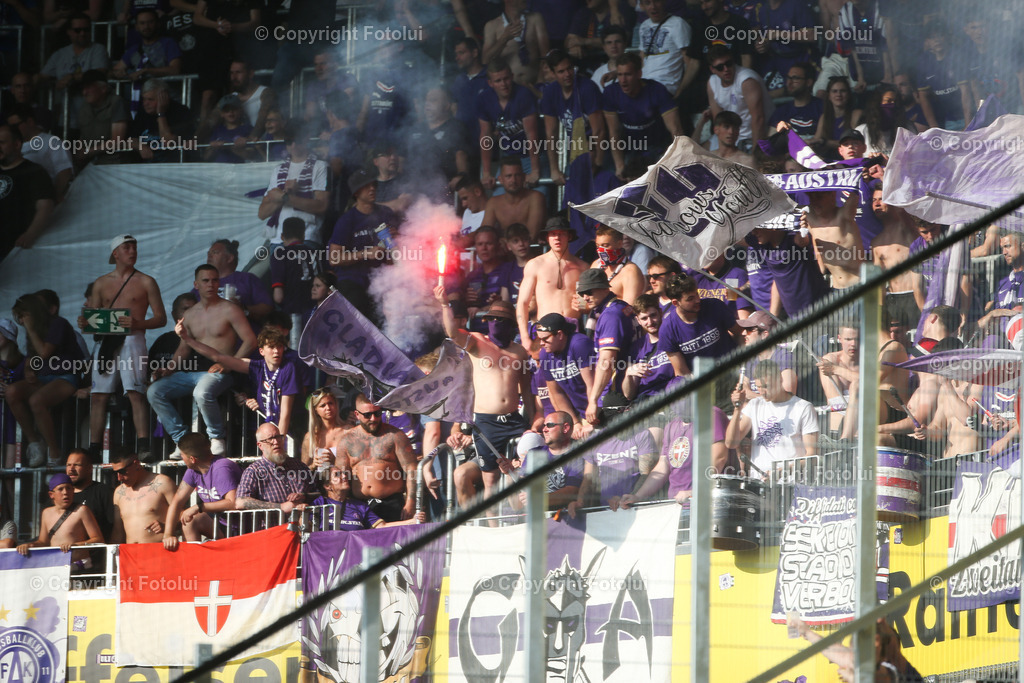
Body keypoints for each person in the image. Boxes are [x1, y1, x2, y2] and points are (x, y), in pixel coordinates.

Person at [436, 291, 533, 512]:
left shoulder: (520, 352)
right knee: (490, 480)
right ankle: (490, 530)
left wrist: (531, 419)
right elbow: (452, 333)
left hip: (514, 420)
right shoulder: (477, 342)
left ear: (511, 324)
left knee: (518, 474)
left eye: (502, 320)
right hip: (486, 423)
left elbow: (527, 389)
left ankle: (518, 526)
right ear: (486, 322)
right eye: (492, 319)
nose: (496, 324)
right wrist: (444, 305)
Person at [147, 264, 257, 459]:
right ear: (196, 284)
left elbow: (250, 340)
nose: (211, 284)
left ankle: (216, 438)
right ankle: (183, 441)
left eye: (215, 280)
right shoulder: (189, 314)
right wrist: (169, 368)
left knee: (202, 391)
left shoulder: (230, 309)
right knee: (154, 391)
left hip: (220, 373)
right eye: (205, 280)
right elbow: (183, 348)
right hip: (191, 373)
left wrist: (230, 363)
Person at [81, 234, 166, 463]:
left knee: (135, 393)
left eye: (134, 247)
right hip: (107, 341)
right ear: (115, 253)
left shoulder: (146, 281)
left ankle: (144, 445)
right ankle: (95, 448)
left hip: (133, 338)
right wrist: (85, 322)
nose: (132, 251)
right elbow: (94, 319)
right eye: (127, 247)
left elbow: (161, 318)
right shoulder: (101, 283)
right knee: (98, 395)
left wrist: (138, 323)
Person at [177, 323, 301, 439]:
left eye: (279, 346)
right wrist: (187, 339)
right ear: (261, 351)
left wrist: (279, 441)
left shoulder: (288, 368)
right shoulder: (256, 367)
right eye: (271, 347)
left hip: (284, 432)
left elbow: (285, 413)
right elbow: (217, 356)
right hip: (261, 429)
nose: (276, 351)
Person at [6, 293, 84, 466]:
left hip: (65, 376)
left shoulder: (58, 323)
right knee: (12, 392)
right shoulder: (35, 329)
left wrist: (31, 329)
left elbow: (44, 352)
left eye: (23, 315)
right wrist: (28, 370)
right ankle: (35, 443)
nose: (21, 320)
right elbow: (31, 356)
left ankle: (54, 451)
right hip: (44, 378)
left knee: (37, 400)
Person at [327, 170, 401, 321]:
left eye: (373, 185)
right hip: (353, 279)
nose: (372, 188)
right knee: (358, 305)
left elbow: (397, 249)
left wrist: (398, 237)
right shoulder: (347, 220)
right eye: (366, 186)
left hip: (382, 278)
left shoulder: (385, 213)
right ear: (356, 192)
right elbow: (333, 259)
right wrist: (366, 253)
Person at [333, 393, 418, 522]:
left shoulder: (395, 436)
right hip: (359, 505)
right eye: (367, 415)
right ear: (357, 414)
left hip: (391, 504)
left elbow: (412, 470)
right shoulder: (347, 440)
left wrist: (410, 502)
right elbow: (340, 475)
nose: (373, 418)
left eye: (377, 413)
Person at [568, 396, 658, 515]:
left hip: (636, 508)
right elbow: (588, 478)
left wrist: (630, 497)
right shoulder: (594, 441)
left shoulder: (641, 435)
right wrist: (580, 502)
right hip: (605, 512)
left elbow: (646, 473)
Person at [726, 359, 819, 473]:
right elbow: (730, 443)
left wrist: (780, 472)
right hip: (759, 482)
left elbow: (812, 456)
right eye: (758, 387)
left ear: (780, 379)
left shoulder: (804, 407)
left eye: (766, 386)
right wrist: (737, 409)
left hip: (790, 482)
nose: (762, 392)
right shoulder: (755, 404)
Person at [602, 51, 684, 177]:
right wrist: (619, 165)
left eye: (628, 74)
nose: (623, 80)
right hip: (629, 146)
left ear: (639, 74)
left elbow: (675, 129)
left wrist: (678, 159)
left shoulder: (657, 90)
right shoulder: (611, 93)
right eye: (620, 75)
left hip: (656, 145)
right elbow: (614, 132)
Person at [575, 268, 637, 423]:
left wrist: (593, 400)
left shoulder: (611, 315)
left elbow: (606, 361)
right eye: (582, 293)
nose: (585, 297)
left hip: (621, 389)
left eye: (589, 291)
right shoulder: (619, 305)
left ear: (604, 288)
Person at [162, 432, 241, 549]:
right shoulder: (193, 470)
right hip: (220, 524)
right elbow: (177, 502)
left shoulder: (222, 468)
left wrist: (198, 507)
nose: (181, 458)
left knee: (192, 514)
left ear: (192, 459)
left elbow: (233, 502)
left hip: (240, 527)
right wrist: (168, 535)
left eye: (182, 455)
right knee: (189, 519)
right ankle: (194, 561)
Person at [516, 217, 588, 346]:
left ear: (569, 236)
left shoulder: (582, 267)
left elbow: (588, 305)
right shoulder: (535, 264)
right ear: (547, 237)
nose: (557, 238)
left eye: (562, 234)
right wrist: (524, 337)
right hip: (545, 328)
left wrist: (585, 307)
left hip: (573, 329)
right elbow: (522, 303)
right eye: (553, 234)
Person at [257, 125, 329, 246]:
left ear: (306, 138)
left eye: (297, 141)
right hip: (278, 239)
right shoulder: (278, 170)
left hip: (306, 237)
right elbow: (262, 213)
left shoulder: (320, 166)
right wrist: (286, 195)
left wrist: (285, 197)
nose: (293, 145)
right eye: (289, 142)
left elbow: (322, 206)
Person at [658, 273, 741, 377]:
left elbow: (739, 334)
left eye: (697, 294)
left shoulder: (714, 306)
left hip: (732, 369)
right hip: (704, 382)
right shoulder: (667, 329)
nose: (697, 300)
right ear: (675, 303)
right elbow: (682, 372)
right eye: (690, 299)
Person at [477, 60, 542, 190]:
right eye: (498, 81)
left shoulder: (524, 95)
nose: (503, 84)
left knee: (538, 194)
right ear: (490, 83)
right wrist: (486, 173)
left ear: (512, 77)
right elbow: (485, 135)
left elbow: (531, 134)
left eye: (506, 79)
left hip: (532, 155)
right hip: (508, 158)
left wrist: (535, 171)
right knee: (499, 201)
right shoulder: (484, 99)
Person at [17, 474, 103, 569]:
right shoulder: (46, 513)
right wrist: (30, 545)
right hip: (56, 566)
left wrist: (74, 545)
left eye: (69, 488)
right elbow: (43, 542)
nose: (65, 492)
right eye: (60, 489)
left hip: (79, 566)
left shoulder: (82, 510)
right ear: (51, 494)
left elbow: (98, 540)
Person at [311, 459, 424, 528]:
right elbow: (306, 527)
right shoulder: (320, 503)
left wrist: (412, 521)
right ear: (327, 486)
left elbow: (382, 526)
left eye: (344, 473)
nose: (345, 476)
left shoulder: (360, 506)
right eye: (337, 475)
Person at [535, 312, 596, 439]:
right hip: (580, 412)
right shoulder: (545, 355)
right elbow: (556, 393)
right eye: (539, 339)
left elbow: (592, 384)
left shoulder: (579, 344)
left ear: (560, 334)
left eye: (545, 339)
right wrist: (574, 423)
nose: (541, 343)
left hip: (598, 406)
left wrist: (593, 417)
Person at [0, 123, 55, 256]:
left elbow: (45, 207)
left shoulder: (34, 172)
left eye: (1, 143)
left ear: (17, 144)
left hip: (14, 247)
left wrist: (31, 234)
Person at [236, 423, 318, 512]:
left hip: (301, 524)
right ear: (260, 445)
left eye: (278, 437)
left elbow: (318, 494)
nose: (276, 442)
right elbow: (240, 502)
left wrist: (304, 496)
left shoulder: (299, 466)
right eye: (270, 439)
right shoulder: (254, 471)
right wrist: (280, 507)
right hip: (274, 525)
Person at [706, 45, 773, 147]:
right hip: (730, 137)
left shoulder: (746, 80)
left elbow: (758, 119)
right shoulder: (712, 83)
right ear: (712, 69)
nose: (726, 69)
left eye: (728, 64)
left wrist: (756, 153)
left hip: (751, 137)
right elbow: (719, 121)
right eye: (720, 67)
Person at [197, 238, 273, 327]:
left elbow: (268, 308)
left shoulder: (247, 279)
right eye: (208, 253)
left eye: (215, 252)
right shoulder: (201, 283)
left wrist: (244, 309)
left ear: (229, 258)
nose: (209, 256)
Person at [6, 104, 73, 202]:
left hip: (45, 201)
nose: (13, 131)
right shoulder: (12, 146)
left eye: (15, 126)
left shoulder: (52, 141)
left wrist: (52, 199)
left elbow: (65, 172)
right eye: (10, 128)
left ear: (30, 122)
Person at [803, 187, 866, 290]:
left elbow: (856, 191)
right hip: (835, 288)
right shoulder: (810, 219)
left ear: (832, 194)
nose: (815, 201)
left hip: (858, 286)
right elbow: (818, 253)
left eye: (819, 197)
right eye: (811, 197)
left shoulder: (844, 216)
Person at [110, 449, 176, 543]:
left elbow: (184, 517)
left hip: (158, 552)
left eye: (123, 471)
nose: (119, 478)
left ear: (136, 464)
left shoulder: (163, 483)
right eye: (115, 473)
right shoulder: (119, 492)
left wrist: (167, 528)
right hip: (131, 554)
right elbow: (117, 532)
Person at [481, 0, 549, 87]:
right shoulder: (491, 26)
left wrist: (541, 80)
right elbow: (485, 60)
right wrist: (504, 39)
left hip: (535, 84)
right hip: (508, 89)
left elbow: (546, 54)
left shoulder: (536, 19)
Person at [623, 293, 674, 401]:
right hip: (645, 402)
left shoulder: (674, 336)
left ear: (660, 312)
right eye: (644, 318)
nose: (650, 322)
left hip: (672, 397)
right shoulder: (636, 348)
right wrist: (628, 373)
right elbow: (628, 395)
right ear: (638, 321)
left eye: (653, 315)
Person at [637, 0, 691, 100]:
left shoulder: (677, 23)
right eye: (648, 3)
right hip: (644, 85)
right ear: (642, 6)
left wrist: (681, 91)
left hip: (666, 85)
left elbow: (689, 62)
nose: (653, 6)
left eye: (656, 1)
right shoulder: (643, 26)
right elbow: (641, 58)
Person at [481, 157, 546, 239]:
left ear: (524, 177)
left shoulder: (536, 198)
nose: (513, 180)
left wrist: (503, 242)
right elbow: (484, 234)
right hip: (505, 250)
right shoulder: (493, 203)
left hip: (532, 250)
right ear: (500, 179)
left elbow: (531, 235)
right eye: (508, 176)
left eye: (517, 175)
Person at [76, 70, 130, 166]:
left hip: (112, 163)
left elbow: (117, 141)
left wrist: (88, 152)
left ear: (103, 88)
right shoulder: (84, 107)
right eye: (83, 88)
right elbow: (82, 135)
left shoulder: (116, 103)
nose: (84, 92)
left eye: (89, 88)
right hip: (89, 164)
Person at [64, 448, 115, 542]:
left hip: (98, 554)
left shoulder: (103, 491)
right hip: (64, 555)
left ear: (89, 468)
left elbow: (115, 526)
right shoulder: (60, 495)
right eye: (68, 465)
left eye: (77, 465)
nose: (71, 469)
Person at [769, 62, 823, 139]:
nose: (789, 83)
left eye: (795, 78)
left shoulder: (822, 107)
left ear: (808, 82)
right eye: (788, 78)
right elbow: (771, 142)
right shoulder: (781, 111)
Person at [813, 76, 863, 157]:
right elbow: (816, 140)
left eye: (842, 91)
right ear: (829, 95)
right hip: (830, 162)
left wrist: (825, 142)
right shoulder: (824, 117)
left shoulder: (857, 114)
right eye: (834, 91)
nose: (838, 94)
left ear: (849, 94)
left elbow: (856, 144)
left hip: (851, 160)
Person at [301, 386, 351, 467]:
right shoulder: (310, 437)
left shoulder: (348, 431)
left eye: (330, 403)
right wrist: (314, 465)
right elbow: (302, 471)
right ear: (316, 410)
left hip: (344, 478)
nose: (328, 408)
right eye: (323, 405)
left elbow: (358, 465)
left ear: (336, 404)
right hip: (318, 478)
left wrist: (335, 460)